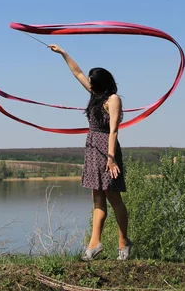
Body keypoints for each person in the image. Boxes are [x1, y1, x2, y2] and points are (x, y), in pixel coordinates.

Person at [49, 44, 132, 261]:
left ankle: (124, 242)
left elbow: (113, 129)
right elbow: (77, 72)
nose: (89, 83)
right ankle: (95, 244)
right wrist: (63, 53)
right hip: (92, 148)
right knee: (97, 199)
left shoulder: (113, 99)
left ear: (101, 83)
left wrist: (111, 158)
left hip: (107, 150)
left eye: (92, 81)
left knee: (113, 198)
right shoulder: (95, 94)